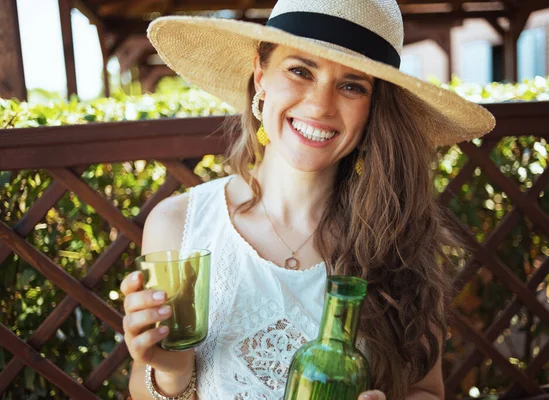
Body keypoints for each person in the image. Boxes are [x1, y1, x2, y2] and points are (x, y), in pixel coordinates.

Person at [120, 0, 496, 399]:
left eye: (352, 85)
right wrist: (173, 374)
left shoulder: (400, 238)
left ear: (374, 109)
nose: (320, 105)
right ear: (260, 75)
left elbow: (428, 391)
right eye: (300, 70)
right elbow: (143, 389)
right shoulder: (178, 225)